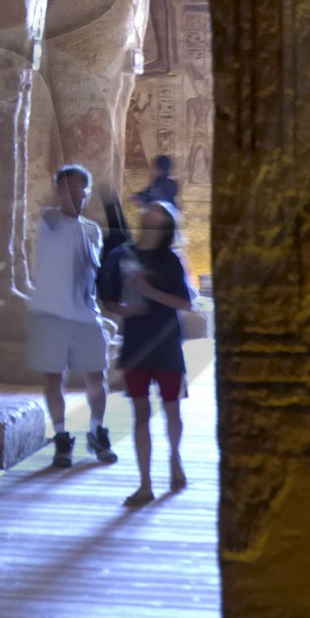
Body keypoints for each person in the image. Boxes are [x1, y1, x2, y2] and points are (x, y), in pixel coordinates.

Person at [26, 164, 118, 471]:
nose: (71, 194)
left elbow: (92, 271)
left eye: (77, 189)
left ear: (86, 192)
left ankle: (96, 430)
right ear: (57, 191)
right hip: (50, 313)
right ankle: (62, 437)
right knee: (55, 378)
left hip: (85, 314)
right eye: (64, 188)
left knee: (97, 376)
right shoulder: (48, 220)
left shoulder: (92, 230)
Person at [116, 199, 192, 507]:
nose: (151, 213)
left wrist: (150, 293)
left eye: (158, 213)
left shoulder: (171, 261)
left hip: (166, 342)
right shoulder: (123, 255)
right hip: (136, 341)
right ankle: (145, 483)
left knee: (172, 409)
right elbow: (108, 300)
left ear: (165, 225)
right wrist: (122, 308)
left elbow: (184, 303)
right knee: (140, 415)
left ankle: (174, 457)